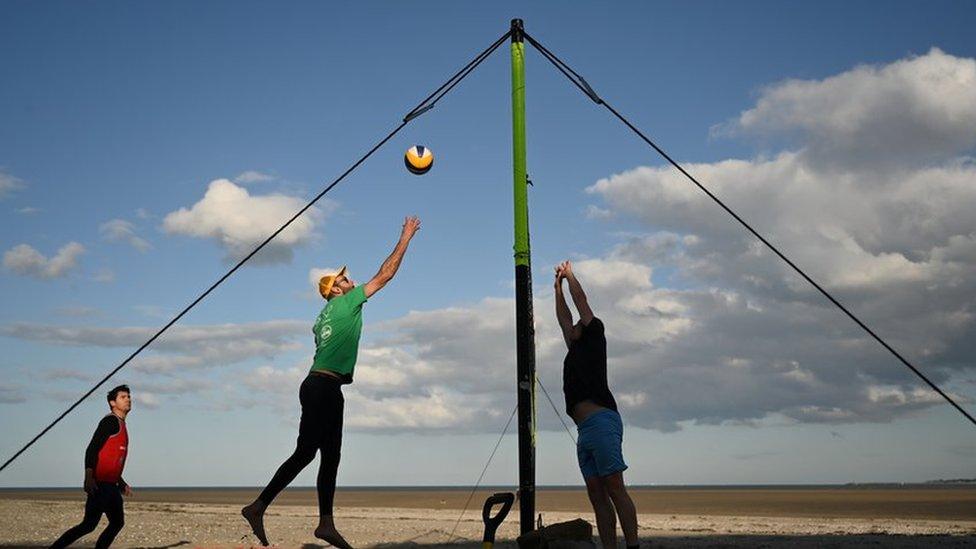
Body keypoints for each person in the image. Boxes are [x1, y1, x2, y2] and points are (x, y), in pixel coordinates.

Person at [242, 215, 422, 548]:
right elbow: (386, 274)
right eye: (343, 279)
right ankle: (258, 506)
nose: (348, 280)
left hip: (322, 386)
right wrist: (406, 237)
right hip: (322, 387)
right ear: (335, 290)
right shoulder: (345, 303)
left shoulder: (321, 316)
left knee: (330, 455)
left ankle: (325, 523)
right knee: (307, 453)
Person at [554, 260, 639, 549]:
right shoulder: (574, 347)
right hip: (584, 431)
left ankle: (633, 545)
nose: (575, 325)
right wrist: (557, 290)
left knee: (615, 488)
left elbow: (581, 304)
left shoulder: (594, 335)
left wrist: (570, 276)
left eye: (579, 323)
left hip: (602, 421)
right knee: (597, 496)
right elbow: (564, 318)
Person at [51, 385, 133, 549]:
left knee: (117, 522)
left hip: (111, 485)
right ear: (112, 403)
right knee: (88, 525)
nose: (128, 399)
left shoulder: (122, 425)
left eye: (129, 396)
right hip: (100, 485)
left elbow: (112, 459)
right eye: (123, 397)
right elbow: (92, 449)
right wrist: (88, 477)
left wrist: (121, 482)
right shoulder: (110, 421)